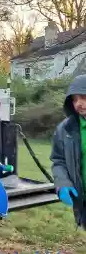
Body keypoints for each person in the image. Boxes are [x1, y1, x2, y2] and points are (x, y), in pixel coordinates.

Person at [50, 74, 86, 228]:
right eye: (74, 99)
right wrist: (63, 183)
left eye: (83, 97)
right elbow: (58, 160)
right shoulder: (65, 129)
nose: (79, 103)